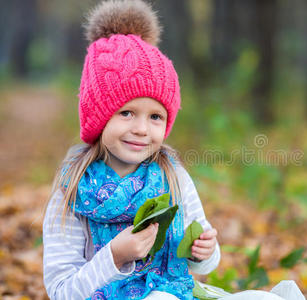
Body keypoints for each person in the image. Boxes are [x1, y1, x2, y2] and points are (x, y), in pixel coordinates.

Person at [42, 1, 219, 299]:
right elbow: (61, 291)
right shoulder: (73, 188)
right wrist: (114, 255)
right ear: (98, 116)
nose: (141, 129)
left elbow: (205, 262)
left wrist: (203, 252)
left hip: (175, 291)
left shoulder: (171, 176)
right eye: (126, 113)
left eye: (155, 117)